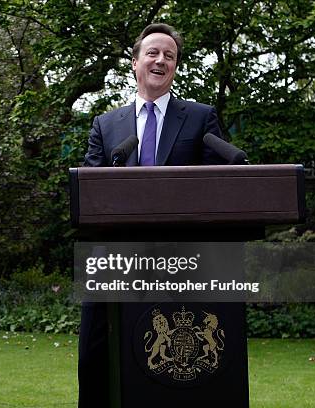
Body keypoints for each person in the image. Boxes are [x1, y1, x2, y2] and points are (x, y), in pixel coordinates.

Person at [79, 23, 224, 407]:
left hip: (180, 262)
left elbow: (218, 188)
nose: (160, 60)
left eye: (169, 56)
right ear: (135, 62)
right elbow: (87, 192)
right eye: (153, 53)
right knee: (96, 355)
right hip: (116, 259)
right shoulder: (106, 125)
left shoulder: (200, 118)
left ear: (175, 66)